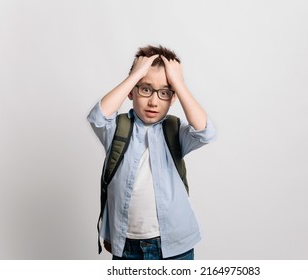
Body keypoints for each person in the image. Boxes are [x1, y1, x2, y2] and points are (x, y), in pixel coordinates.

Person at [87, 45, 216, 260]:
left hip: (175, 246)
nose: (154, 101)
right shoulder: (116, 129)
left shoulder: (176, 131)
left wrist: (179, 84)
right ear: (132, 91)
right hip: (127, 246)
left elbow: (205, 132)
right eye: (145, 89)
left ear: (173, 97)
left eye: (165, 92)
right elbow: (98, 117)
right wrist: (136, 74)